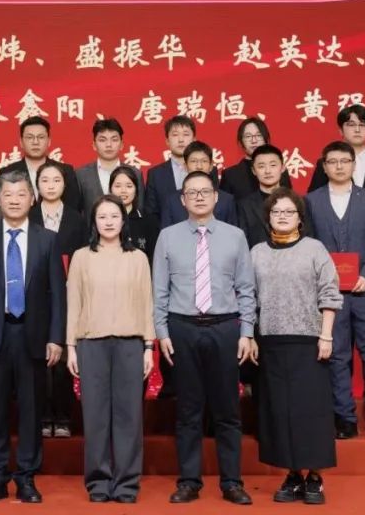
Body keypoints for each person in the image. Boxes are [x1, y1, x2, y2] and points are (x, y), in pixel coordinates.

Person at [153, 171, 257, 505]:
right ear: (182, 200)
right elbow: (159, 291)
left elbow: (246, 289)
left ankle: (232, 482)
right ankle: (188, 481)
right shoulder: (167, 237)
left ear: (216, 197)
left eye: (205, 191)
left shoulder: (235, 236)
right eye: (192, 192)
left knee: (227, 410)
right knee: (188, 410)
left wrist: (247, 331)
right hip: (182, 327)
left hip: (225, 327)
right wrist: (161, 332)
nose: (199, 197)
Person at [0, 171, 65, 504]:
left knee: (31, 411)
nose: (14, 200)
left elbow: (58, 294)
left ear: (32, 199)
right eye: (8, 195)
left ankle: (26, 477)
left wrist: (56, 337)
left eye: (21, 194)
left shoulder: (47, 239)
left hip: (33, 335)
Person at [250, 188, 341, 505]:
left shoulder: (315, 249)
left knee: (310, 411)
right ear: (268, 218)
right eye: (276, 212)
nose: (282, 217)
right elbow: (249, 298)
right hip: (270, 342)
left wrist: (326, 335)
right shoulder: (257, 252)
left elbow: (330, 294)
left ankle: (314, 476)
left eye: (289, 212)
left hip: (309, 341)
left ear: (300, 219)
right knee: (279, 411)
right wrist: (250, 336)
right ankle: (292, 475)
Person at [66, 195, 155, 504]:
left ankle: (127, 484)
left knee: (130, 416)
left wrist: (148, 347)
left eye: (114, 216)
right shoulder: (81, 257)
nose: (108, 222)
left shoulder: (138, 258)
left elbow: (146, 303)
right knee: (95, 416)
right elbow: (73, 303)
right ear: (94, 221)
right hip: (91, 344)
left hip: (130, 344)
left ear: (123, 220)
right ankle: (99, 483)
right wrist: (71, 346)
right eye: (102, 216)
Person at [305, 141, 365, 442]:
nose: (339, 166)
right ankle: (345, 417)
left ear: (354, 165)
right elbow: (309, 245)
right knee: (337, 355)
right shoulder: (312, 200)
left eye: (345, 161)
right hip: (330, 294)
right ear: (324, 166)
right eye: (333, 161)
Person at [29, 160, 85, 437]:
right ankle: (42, 416)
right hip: (35, 297)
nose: (50, 186)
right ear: (36, 185)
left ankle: (63, 416)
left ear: (65, 185)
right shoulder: (28, 216)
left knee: (63, 357)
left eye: (56, 180)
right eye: (45, 180)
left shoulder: (78, 219)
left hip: (68, 296)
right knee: (38, 359)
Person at [307, 105, 365, 201]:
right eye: (351, 125)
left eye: (362, 125)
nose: (357, 130)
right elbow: (313, 200)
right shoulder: (327, 163)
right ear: (341, 130)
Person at [237, 144, 313, 248]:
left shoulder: (300, 201)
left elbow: (309, 236)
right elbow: (242, 243)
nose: (267, 171)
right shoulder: (244, 205)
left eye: (273, 165)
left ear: (282, 168)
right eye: (261, 166)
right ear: (254, 171)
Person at [0, 116, 82, 209]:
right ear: (21, 142)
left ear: (49, 141)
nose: (35, 142)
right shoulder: (7, 173)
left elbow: (73, 207)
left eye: (41, 137)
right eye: (30, 137)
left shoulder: (66, 171)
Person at [75, 118, 142, 215]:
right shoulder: (81, 175)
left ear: (122, 144)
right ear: (94, 145)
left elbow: (140, 208)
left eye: (114, 140)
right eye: (102, 140)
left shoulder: (135, 173)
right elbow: (76, 212)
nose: (109, 145)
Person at [220, 117, 292, 198]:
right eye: (248, 136)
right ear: (241, 142)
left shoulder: (279, 170)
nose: (254, 140)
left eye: (258, 135)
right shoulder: (230, 175)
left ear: (266, 139)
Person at [144, 115, 196, 227]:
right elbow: (151, 213)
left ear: (194, 140)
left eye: (186, 134)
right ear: (167, 141)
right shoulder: (155, 174)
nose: (181, 140)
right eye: (175, 135)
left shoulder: (207, 170)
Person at [109, 165, 158, 266]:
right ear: (110, 190)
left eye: (129, 186)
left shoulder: (149, 221)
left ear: (136, 190)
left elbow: (154, 258)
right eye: (118, 186)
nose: (123, 190)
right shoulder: (103, 220)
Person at [183, 141, 238, 225]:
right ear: (185, 166)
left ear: (211, 165)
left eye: (204, 161)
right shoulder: (171, 201)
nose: (199, 166)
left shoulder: (227, 200)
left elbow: (232, 231)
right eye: (193, 161)